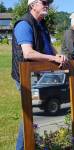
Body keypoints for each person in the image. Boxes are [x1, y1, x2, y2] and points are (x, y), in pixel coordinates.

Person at [11, 0, 67, 149]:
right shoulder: (24, 24)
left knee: (38, 113)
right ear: (32, 5)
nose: (47, 4)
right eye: (44, 2)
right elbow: (28, 53)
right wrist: (53, 59)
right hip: (25, 77)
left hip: (40, 76)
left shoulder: (42, 24)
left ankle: (41, 143)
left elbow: (48, 46)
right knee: (31, 115)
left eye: (48, 2)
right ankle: (22, 147)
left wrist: (58, 55)